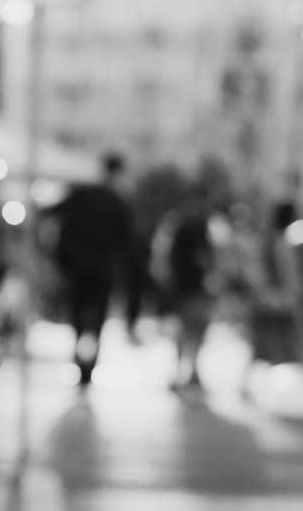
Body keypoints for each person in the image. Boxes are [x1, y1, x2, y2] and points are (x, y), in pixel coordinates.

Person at [45, 151, 135, 386]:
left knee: (77, 313)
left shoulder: (83, 195)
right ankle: (90, 361)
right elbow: (126, 243)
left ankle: (80, 356)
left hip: (78, 268)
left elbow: (52, 216)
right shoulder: (116, 202)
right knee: (97, 316)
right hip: (101, 270)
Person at [155, 181, 218, 394]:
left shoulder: (199, 226)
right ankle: (182, 371)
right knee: (187, 329)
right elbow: (179, 258)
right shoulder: (185, 227)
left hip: (195, 286)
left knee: (197, 329)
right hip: (185, 286)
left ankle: (191, 371)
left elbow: (207, 258)